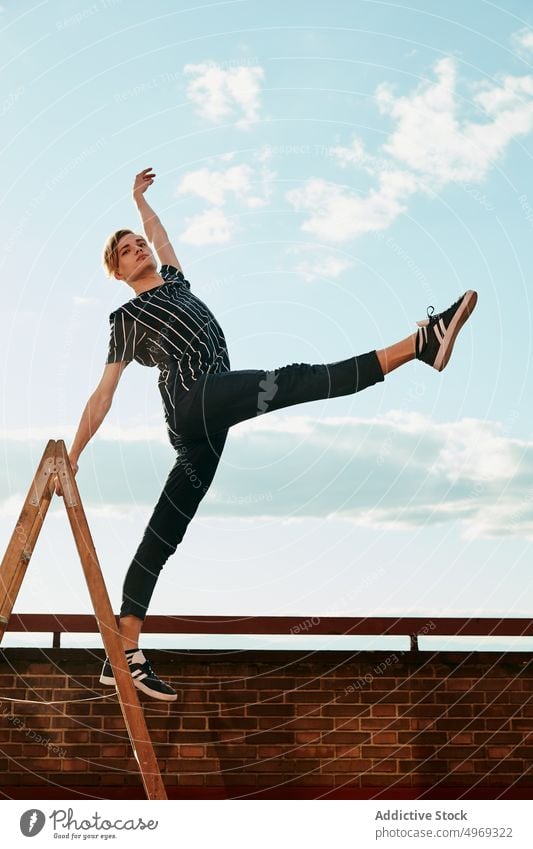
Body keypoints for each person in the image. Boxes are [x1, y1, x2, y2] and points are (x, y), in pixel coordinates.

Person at [59, 167, 477, 702]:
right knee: (297, 380)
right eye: (125, 250)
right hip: (195, 400)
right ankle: (421, 343)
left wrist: (140, 203)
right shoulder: (128, 317)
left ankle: (124, 653)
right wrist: (73, 454)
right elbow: (104, 392)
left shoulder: (178, 283)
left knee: (165, 533)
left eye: (137, 242)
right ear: (117, 272)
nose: (137, 248)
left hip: (204, 433)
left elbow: (163, 238)